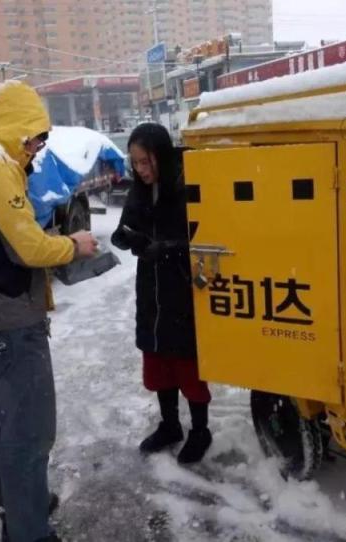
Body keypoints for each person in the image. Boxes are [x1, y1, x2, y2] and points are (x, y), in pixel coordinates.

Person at [0, 81, 97, 542]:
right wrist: (73, 244)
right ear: (16, 128)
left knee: (1, 427)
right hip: (11, 320)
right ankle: (30, 532)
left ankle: (17, 504)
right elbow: (28, 247)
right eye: (34, 138)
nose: (36, 148)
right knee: (29, 433)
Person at [111, 123, 212, 464]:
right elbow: (125, 227)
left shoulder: (187, 184)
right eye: (136, 163)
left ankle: (201, 430)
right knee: (158, 359)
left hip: (183, 288)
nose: (141, 170)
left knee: (187, 362)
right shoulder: (139, 190)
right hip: (151, 288)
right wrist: (127, 238)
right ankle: (170, 425)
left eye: (146, 161)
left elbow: (205, 237)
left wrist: (166, 248)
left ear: (161, 155)